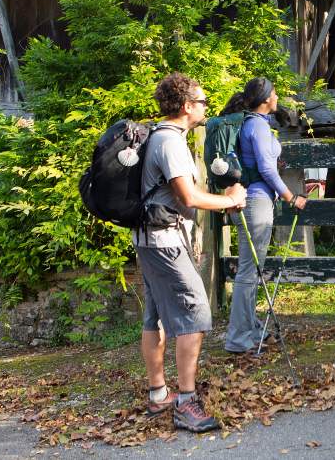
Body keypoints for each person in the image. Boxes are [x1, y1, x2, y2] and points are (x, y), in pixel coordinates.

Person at [137, 73, 247, 433]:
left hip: (150, 240)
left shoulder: (158, 136)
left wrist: (218, 204)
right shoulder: (170, 143)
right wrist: (229, 200)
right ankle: (186, 402)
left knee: (154, 316)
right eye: (201, 102)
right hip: (165, 244)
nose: (205, 107)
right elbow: (188, 197)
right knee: (195, 313)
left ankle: (159, 395)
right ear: (186, 106)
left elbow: (183, 195)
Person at [224, 77, 307, 354]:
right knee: (249, 271)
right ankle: (238, 338)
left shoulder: (255, 124)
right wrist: (290, 197)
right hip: (256, 203)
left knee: (252, 269)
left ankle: (250, 328)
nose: (277, 95)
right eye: (274, 92)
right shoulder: (257, 126)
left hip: (253, 200)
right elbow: (267, 171)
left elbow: (264, 164)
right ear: (265, 99)